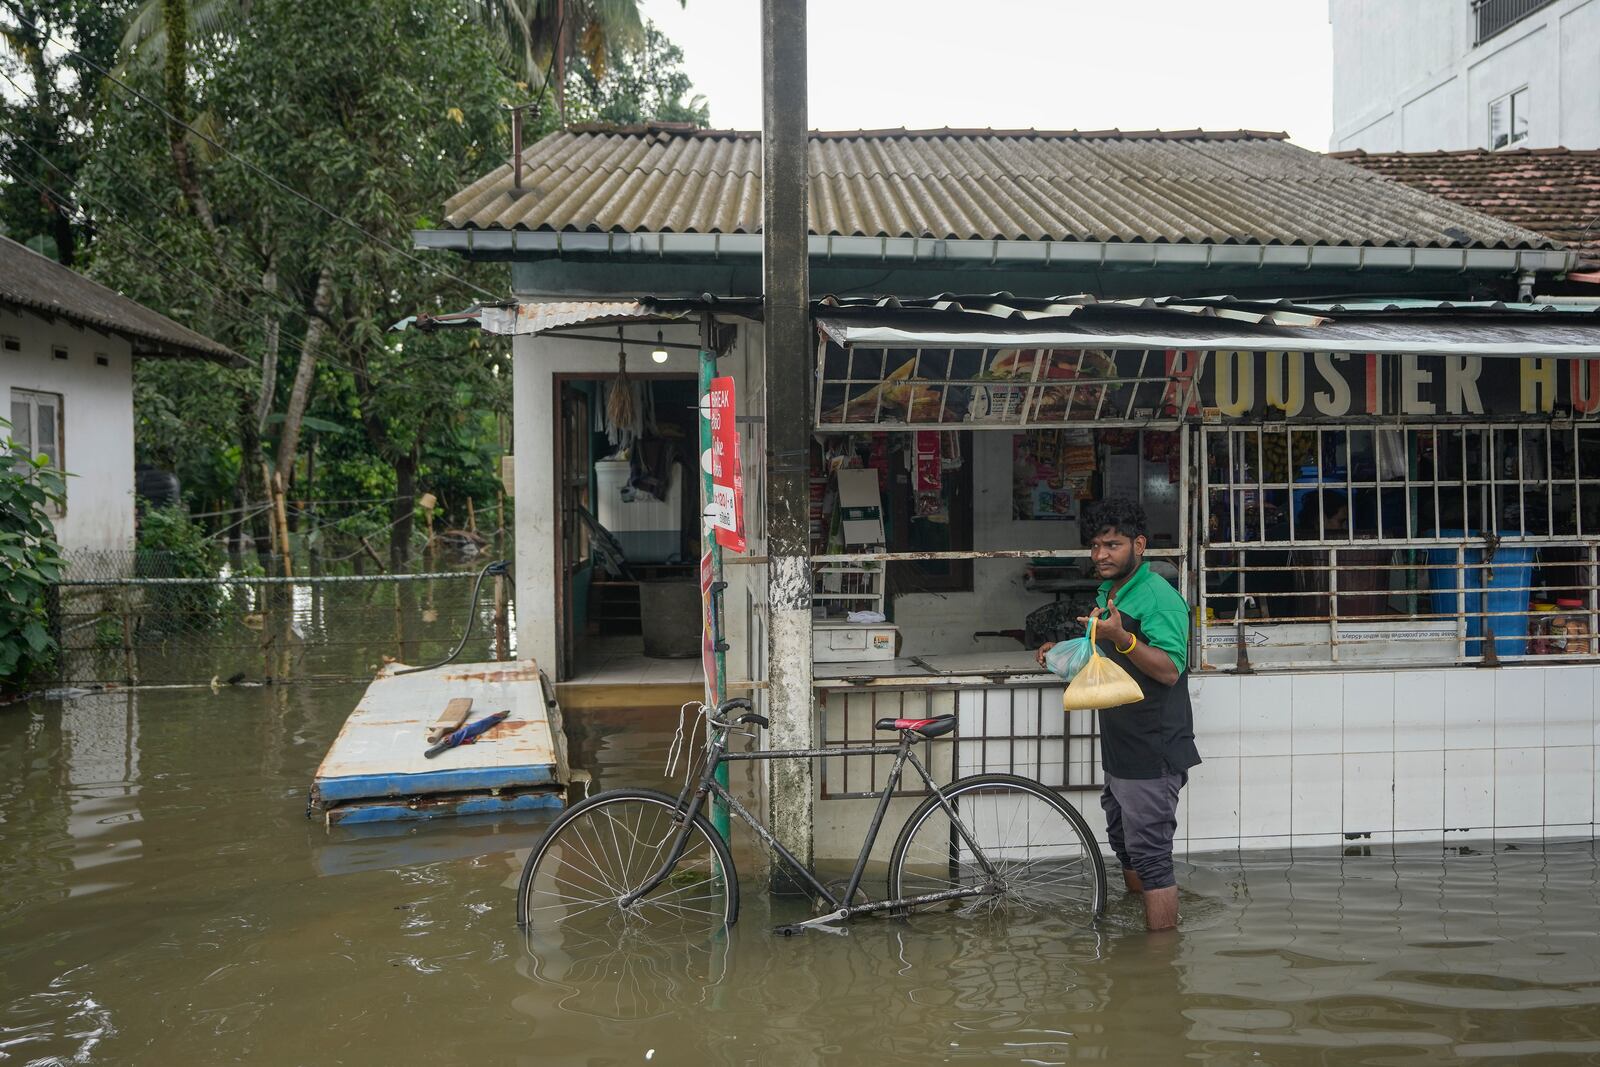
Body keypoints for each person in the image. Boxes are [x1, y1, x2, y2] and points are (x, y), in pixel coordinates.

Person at [1036, 497, 1201, 931]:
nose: (1100, 555)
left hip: (1154, 746)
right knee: (1126, 846)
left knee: (1152, 858)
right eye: (1095, 546)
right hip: (1121, 746)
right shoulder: (1112, 592)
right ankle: (1137, 928)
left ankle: (1159, 964)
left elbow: (1169, 669)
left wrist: (1122, 637)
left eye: (1111, 545)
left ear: (1139, 545)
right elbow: (1105, 649)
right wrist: (1065, 651)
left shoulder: (1159, 598)